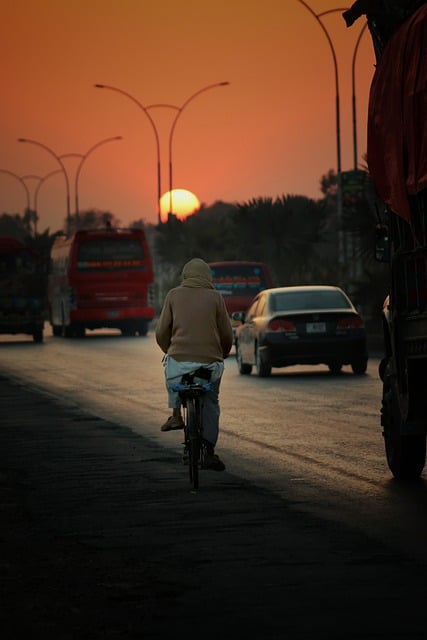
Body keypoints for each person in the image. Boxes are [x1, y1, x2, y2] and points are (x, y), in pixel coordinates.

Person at [155, 257, 233, 471]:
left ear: (185, 276)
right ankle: (208, 452)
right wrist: (223, 353)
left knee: (172, 375)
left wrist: (169, 350)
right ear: (207, 276)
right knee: (210, 401)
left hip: (178, 365)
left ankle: (176, 414)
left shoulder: (173, 295)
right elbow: (226, 334)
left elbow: (162, 332)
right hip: (209, 367)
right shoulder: (216, 298)